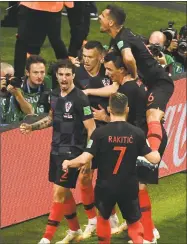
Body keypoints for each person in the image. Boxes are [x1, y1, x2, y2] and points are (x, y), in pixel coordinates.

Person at [84, 52, 167, 243]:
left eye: (110, 69)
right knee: (136, 186)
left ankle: (149, 234)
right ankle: (144, 227)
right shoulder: (127, 84)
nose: (107, 73)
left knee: (139, 186)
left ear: (121, 70)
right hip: (144, 137)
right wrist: (88, 92)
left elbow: (124, 121)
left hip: (148, 139)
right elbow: (113, 89)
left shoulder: (127, 91)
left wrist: (105, 119)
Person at [62, 92, 161, 244]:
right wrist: (156, 143)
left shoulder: (99, 133)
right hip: (128, 186)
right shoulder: (137, 133)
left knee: (103, 218)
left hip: (106, 186)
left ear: (109, 109)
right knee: (134, 223)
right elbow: (154, 159)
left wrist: (69, 162)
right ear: (127, 109)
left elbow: (84, 158)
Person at [20, 59, 96, 244]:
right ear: (56, 75)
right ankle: (75, 229)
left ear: (73, 76)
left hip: (73, 152)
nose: (64, 78)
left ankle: (46, 238)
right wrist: (33, 127)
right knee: (66, 192)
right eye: (61, 74)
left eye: (68, 75)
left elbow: (92, 129)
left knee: (57, 193)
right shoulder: (53, 95)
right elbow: (52, 118)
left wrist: (88, 156)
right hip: (56, 150)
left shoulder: (80, 98)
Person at [98, 5, 174, 156]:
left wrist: (133, 75)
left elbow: (128, 58)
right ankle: (150, 151)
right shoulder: (118, 38)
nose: (99, 17)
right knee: (152, 119)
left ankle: (152, 154)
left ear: (111, 23)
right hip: (152, 84)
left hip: (160, 82)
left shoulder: (122, 39)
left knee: (152, 116)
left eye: (102, 15)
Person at [74, 41, 120, 239]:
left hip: (107, 128)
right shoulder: (77, 75)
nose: (86, 60)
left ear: (100, 57)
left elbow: (116, 90)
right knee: (84, 175)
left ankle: (112, 216)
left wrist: (106, 117)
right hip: (84, 132)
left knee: (108, 178)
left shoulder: (108, 73)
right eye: (84, 56)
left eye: (90, 57)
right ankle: (92, 219)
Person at [14, 1, 73, 78]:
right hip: (41, 6)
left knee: (23, 42)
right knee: (54, 41)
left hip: (45, 7)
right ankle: (19, 77)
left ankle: (19, 77)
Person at [14, 55, 52, 121]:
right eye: (35, 72)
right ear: (27, 73)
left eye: (42, 72)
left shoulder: (48, 81)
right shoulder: (18, 86)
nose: (39, 76)